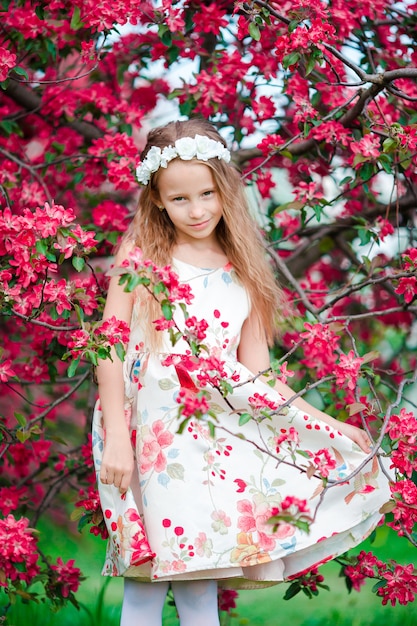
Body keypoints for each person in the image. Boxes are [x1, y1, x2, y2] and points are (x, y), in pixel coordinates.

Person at [93, 118, 391, 626]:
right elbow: (109, 345)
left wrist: (330, 425)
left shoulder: (242, 268)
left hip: (213, 437)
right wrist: (117, 436)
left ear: (224, 188)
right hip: (148, 434)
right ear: (158, 199)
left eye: (207, 193)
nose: (197, 209)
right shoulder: (141, 255)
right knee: (144, 583)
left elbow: (257, 375)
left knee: (198, 583)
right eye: (180, 198)